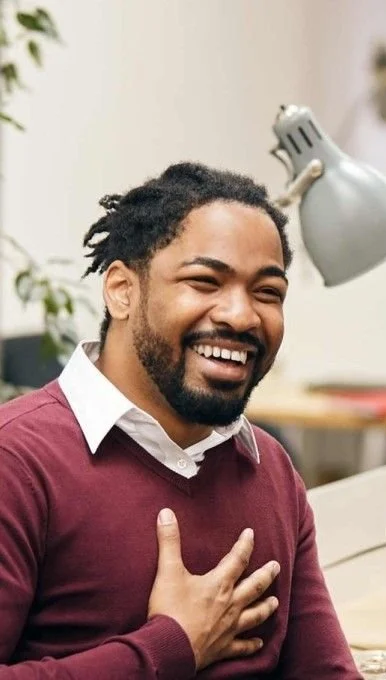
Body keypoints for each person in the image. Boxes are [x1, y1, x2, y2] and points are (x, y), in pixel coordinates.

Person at [0, 162, 362, 678]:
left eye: (267, 293)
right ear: (122, 290)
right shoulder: (16, 460)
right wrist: (171, 647)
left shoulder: (269, 469)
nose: (240, 316)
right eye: (204, 281)